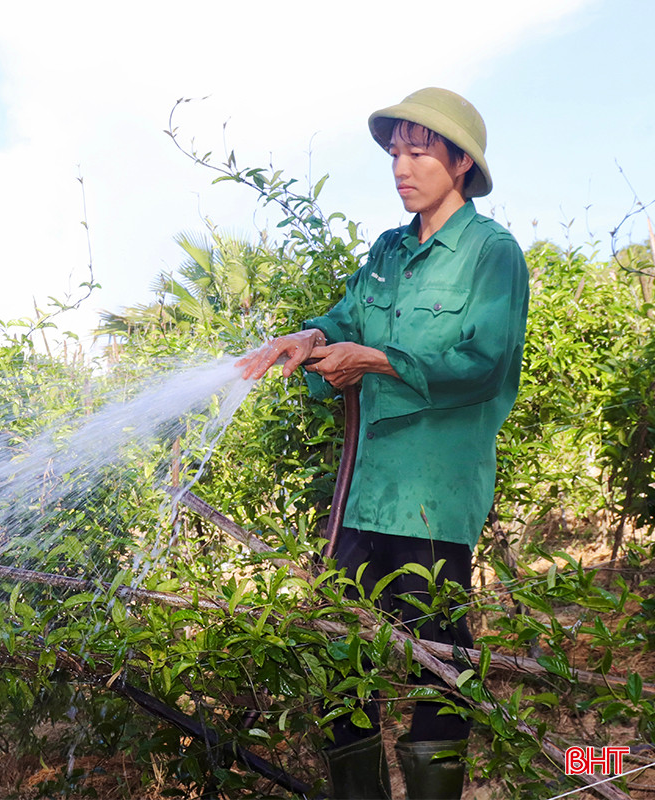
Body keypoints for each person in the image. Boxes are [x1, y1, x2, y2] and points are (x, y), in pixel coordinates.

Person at [236, 87, 529, 799]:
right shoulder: (388, 252)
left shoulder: (491, 255)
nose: (401, 167)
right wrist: (310, 336)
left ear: (460, 163)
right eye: (395, 152)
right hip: (364, 494)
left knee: (438, 663)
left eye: (419, 152)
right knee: (340, 659)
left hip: (433, 499)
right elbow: (344, 320)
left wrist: (375, 361)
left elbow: (484, 363)